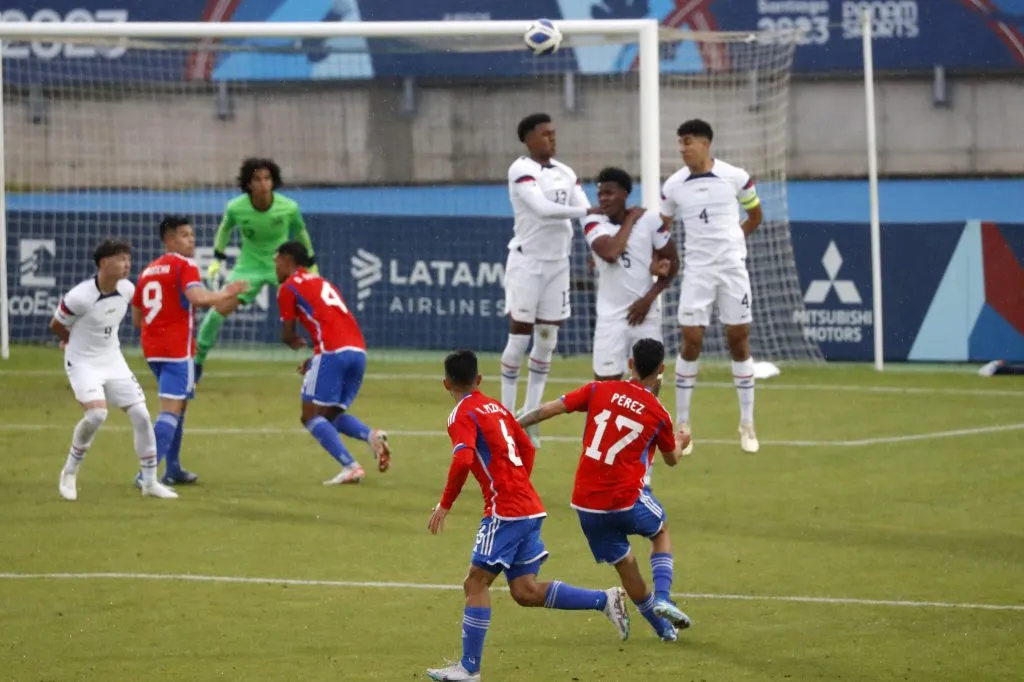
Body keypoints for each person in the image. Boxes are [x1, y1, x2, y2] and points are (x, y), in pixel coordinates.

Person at [425, 349, 630, 682]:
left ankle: (469, 669)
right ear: (478, 379)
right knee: (524, 591)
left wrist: (446, 504)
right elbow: (528, 447)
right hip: (528, 506)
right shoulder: (498, 409)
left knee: (475, 582)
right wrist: (519, 483)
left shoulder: (461, 414)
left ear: (445, 383)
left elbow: (463, 460)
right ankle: (604, 599)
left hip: (506, 510)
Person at [518, 338, 693, 641]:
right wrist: (682, 440)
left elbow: (549, 409)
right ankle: (663, 597)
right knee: (660, 530)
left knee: (626, 566)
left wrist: (513, 425)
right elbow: (672, 459)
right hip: (624, 499)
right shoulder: (658, 413)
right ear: (662, 368)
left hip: (585, 504)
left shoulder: (599, 389)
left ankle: (662, 628)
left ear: (629, 364)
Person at [660, 119, 764, 454]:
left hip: (732, 270)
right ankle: (684, 424)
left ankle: (747, 422)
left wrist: (735, 240)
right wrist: (664, 258)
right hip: (697, 273)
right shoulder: (674, 185)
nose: (682, 148)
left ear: (705, 143)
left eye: (687, 141)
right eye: (679, 142)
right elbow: (663, 227)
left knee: (738, 339)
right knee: (691, 340)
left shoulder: (735, 177)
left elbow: (755, 215)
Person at [500, 113, 603, 447]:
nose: (551, 139)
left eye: (554, 134)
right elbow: (543, 209)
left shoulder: (565, 172)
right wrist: (587, 214)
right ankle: (504, 417)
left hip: (558, 266)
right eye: (545, 134)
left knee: (547, 339)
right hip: (527, 263)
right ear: (529, 138)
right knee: (518, 340)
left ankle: (530, 416)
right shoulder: (521, 170)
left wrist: (597, 242)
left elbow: (587, 209)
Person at [50, 238, 177, 501]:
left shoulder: (127, 289)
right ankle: (69, 472)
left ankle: (150, 482)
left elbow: (134, 316)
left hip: (113, 360)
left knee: (142, 415)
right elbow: (56, 325)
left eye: (128, 259)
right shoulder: (79, 296)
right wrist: (68, 341)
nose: (127, 264)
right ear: (104, 263)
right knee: (97, 415)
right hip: (83, 362)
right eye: (121, 259)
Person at [132, 215, 248, 485]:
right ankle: (146, 475)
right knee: (171, 409)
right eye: (184, 234)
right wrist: (225, 294)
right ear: (169, 240)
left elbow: (137, 318)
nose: (191, 239)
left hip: (153, 349)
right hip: (176, 350)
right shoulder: (185, 264)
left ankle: (173, 469)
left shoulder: (148, 270)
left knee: (179, 406)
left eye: (191, 234)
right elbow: (198, 298)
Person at [274, 241, 391, 484]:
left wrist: (296, 342)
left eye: (276, 261)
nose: (274, 267)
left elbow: (287, 334)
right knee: (330, 413)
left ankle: (350, 466)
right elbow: (333, 322)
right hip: (358, 352)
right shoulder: (323, 282)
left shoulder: (289, 287)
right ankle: (371, 436)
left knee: (309, 416)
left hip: (332, 352)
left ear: (287, 259)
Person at [195, 157, 317, 376]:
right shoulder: (235, 208)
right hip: (248, 267)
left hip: (281, 267)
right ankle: (196, 362)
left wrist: (312, 264)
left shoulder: (288, 207)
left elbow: (301, 233)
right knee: (217, 311)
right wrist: (217, 259)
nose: (263, 184)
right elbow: (225, 229)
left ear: (273, 181)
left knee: (314, 307)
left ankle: (322, 356)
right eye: (257, 179)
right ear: (248, 184)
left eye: (267, 178)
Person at [584, 166, 679, 384]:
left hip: (645, 316)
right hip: (610, 318)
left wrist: (649, 298)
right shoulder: (593, 222)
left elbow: (673, 262)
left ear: (625, 194)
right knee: (605, 388)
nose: (603, 199)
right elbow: (610, 253)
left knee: (649, 386)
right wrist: (631, 219)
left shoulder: (650, 221)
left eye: (609, 193)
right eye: (600, 194)